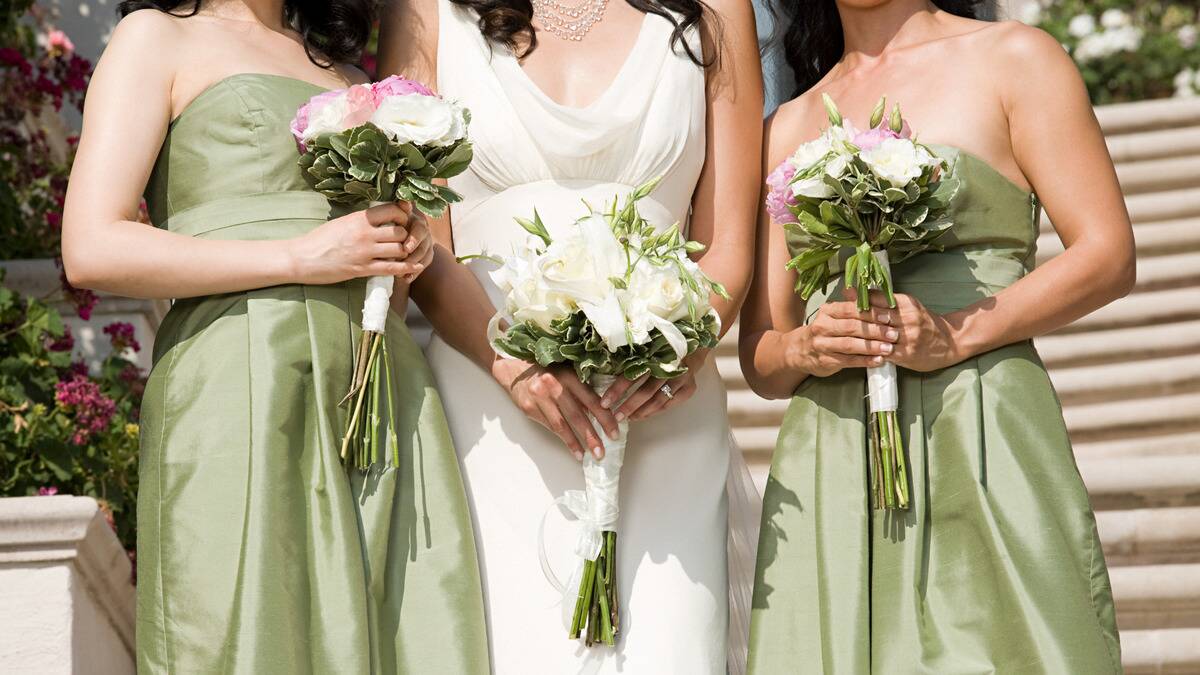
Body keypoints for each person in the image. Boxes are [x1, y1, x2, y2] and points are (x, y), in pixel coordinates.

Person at [61, 1, 489, 671]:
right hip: (239, 385)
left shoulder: (353, 79)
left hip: (377, 395)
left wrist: (402, 250)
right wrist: (297, 258)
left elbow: (393, 279)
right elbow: (90, 246)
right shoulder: (158, 37)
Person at [740, 1, 1132, 671]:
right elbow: (761, 355)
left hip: (983, 421)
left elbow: (1107, 253)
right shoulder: (789, 123)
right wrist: (806, 346)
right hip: (833, 446)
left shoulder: (1016, 59)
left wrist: (956, 333)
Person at [377, 0, 763, 671]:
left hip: (660, 408)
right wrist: (512, 368)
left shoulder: (717, 10)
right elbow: (424, 239)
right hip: (488, 410)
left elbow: (729, 244)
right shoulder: (425, 13)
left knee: (669, 647)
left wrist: (682, 345)